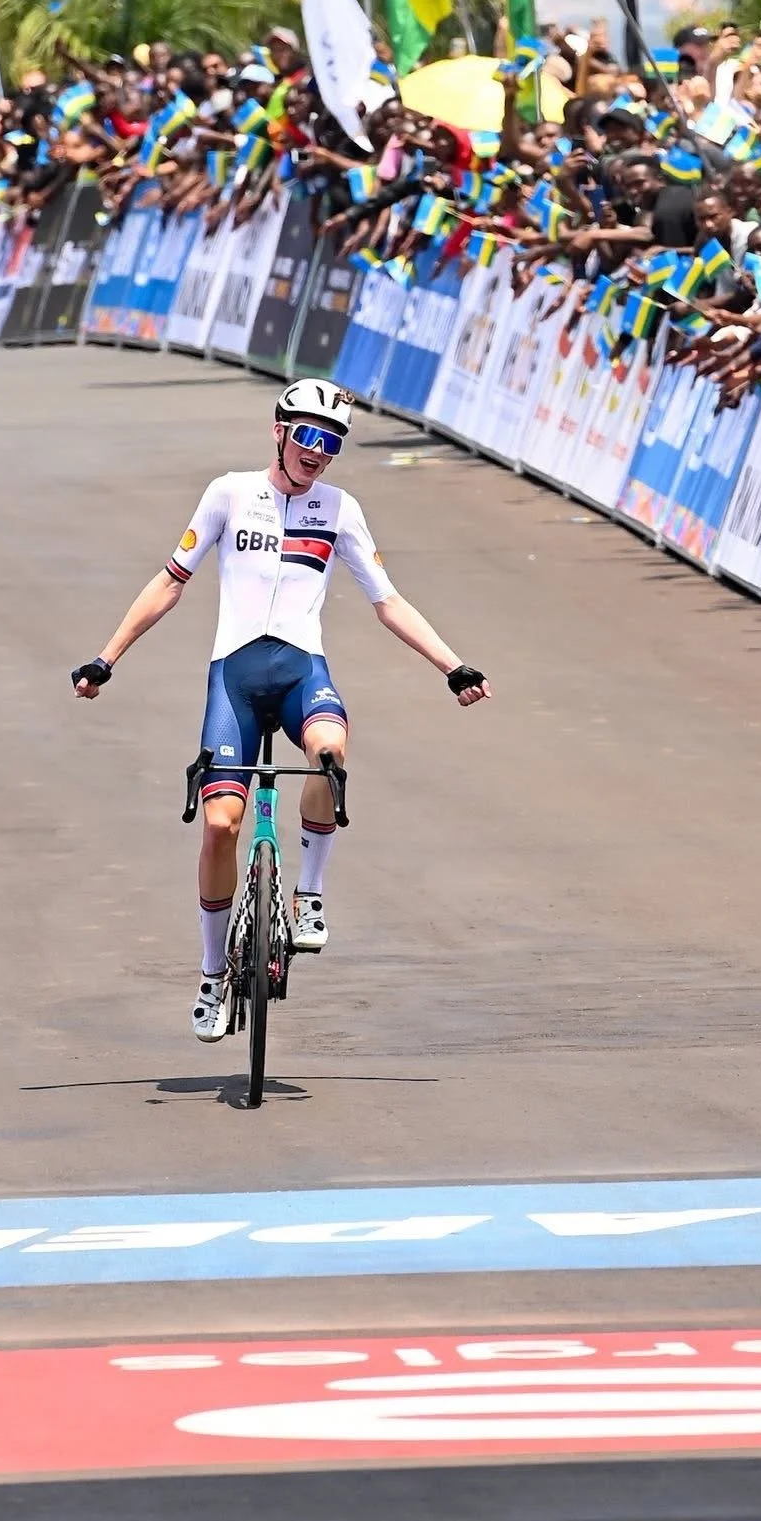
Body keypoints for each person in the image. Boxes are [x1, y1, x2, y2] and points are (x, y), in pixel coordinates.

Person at [72, 380, 492, 1042]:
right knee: (219, 825)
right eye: (308, 437)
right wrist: (106, 658)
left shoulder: (340, 509)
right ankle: (213, 974)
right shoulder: (228, 494)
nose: (318, 453)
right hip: (235, 679)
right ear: (280, 432)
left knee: (331, 752)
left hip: (300, 671)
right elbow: (168, 582)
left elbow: (388, 601)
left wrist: (453, 666)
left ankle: (309, 894)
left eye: (332, 444)